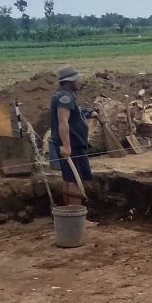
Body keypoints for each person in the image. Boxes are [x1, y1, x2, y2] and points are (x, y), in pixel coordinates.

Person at [49, 65, 92, 205]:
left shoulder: (63, 96)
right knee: (74, 179)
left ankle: (70, 216)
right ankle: (77, 218)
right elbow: (63, 122)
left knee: (68, 178)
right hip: (72, 144)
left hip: (72, 143)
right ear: (69, 82)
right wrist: (67, 146)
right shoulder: (64, 98)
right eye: (76, 80)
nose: (79, 82)